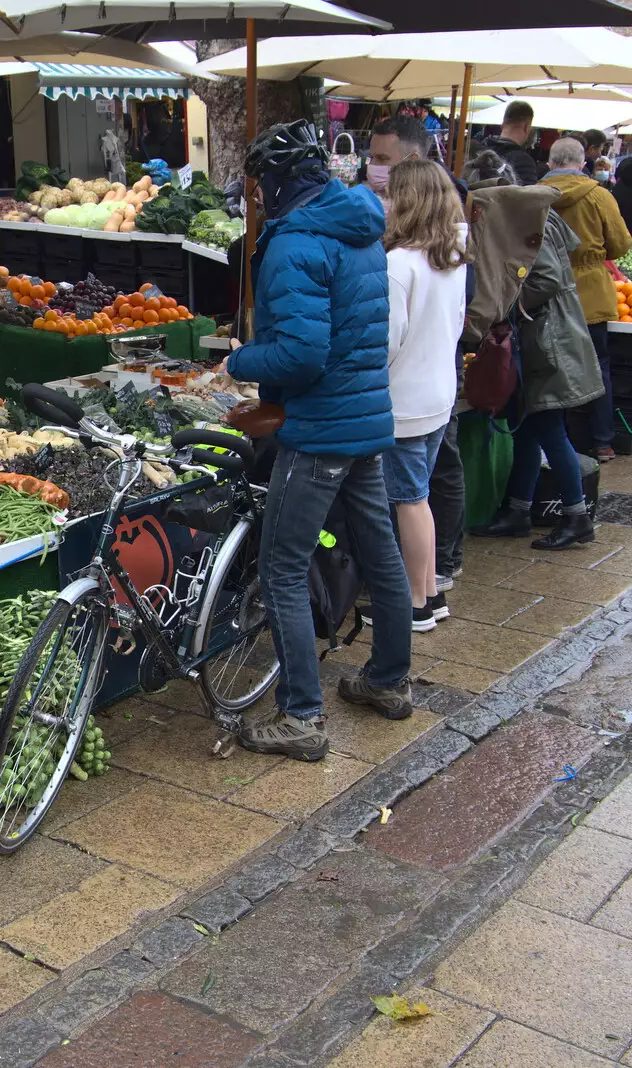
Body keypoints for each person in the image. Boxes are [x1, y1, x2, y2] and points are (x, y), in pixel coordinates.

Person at [225, 119, 413, 763]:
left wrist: (242, 362)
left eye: (257, 188)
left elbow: (301, 354)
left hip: (321, 431)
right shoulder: (357, 227)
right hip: (366, 418)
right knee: (379, 549)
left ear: (276, 185)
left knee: (281, 565)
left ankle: (301, 715)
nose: (255, 200)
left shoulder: (293, 244)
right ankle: (389, 679)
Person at [372, 159, 469, 632]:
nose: (385, 203)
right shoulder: (451, 255)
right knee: (420, 497)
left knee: (409, 500)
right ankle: (430, 592)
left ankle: (415, 604)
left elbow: (386, 343)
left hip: (405, 402)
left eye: (391, 194)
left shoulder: (398, 264)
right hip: (439, 394)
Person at [471, 210, 605, 551]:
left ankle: (576, 517)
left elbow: (547, 279)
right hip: (541, 342)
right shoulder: (536, 219)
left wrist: (503, 306)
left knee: (548, 428)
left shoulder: (534, 223)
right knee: (528, 427)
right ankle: (519, 511)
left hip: (548, 345)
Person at [542, 137, 632, 463]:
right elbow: (621, 244)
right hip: (591, 295)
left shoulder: (534, 195)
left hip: (546, 294)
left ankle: (558, 442)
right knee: (598, 367)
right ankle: (603, 442)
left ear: (550, 163)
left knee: (552, 369)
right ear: (583, 164)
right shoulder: (598, 195)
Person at [363, 115, 427, 197]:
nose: (372, 165)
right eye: (371, 157)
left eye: (382, 158)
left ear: (413, 160)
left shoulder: (434, 207)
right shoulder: (367, 200)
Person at [481, 101, 541, 186]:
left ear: (503, 124)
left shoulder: (480, 150)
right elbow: (529, 198)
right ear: (526, 127)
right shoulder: (524, 162)